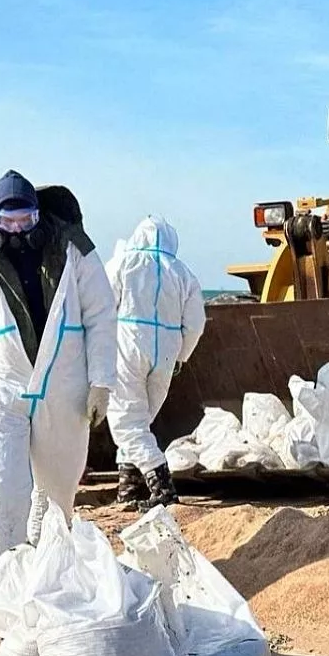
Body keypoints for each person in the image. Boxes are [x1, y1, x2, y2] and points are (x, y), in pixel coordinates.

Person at [0, 170, 118, 581]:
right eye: (8, 222)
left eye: (25, 221)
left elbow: (102, 316)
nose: (17, 230)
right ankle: (0, 580)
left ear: (38, 215)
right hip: (0, 384)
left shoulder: (76, 252)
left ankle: (52, 570)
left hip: (64, 383)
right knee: (1, 487)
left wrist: (101, 382)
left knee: (59, 488)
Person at [105, 215, 207, 511]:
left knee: (127, 421)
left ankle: (163, 487)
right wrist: (182, 355)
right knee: (141, 420)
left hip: (129, 341)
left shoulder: (125, 261)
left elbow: (102, 304)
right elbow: (196, 323)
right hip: (166, 350)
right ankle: (129, 487)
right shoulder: (183, 272)